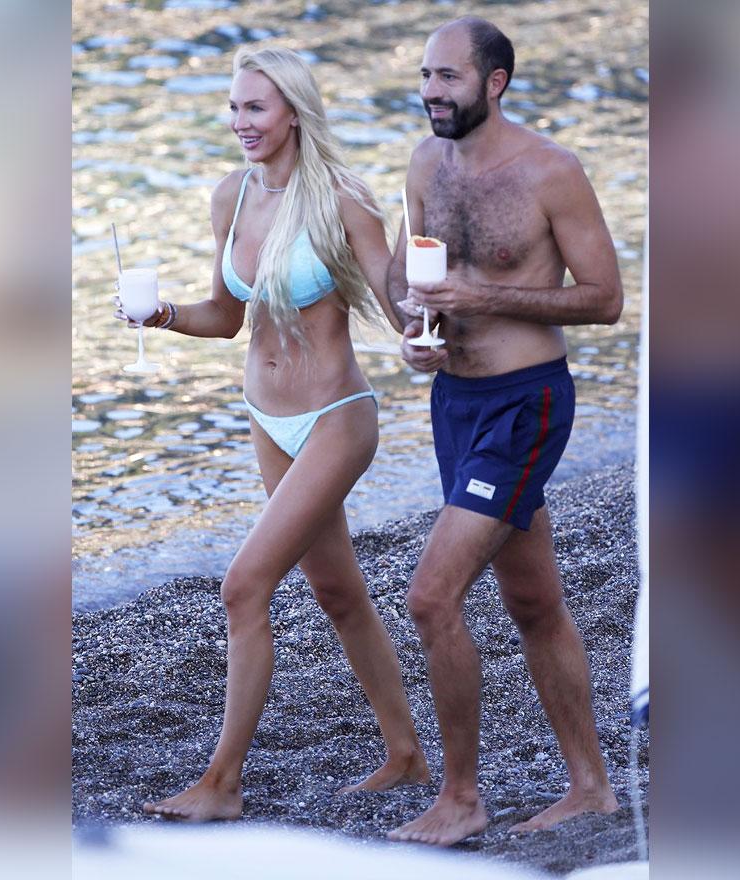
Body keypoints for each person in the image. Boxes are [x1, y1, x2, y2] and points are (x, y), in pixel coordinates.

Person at [118, 46, 427, 822]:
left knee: (243, 585)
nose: (240, 122)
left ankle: (221, 783)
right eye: (233, 107)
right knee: (336, 589)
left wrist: (429, 331)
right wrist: (161, 316)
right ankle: (406, 753)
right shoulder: (231, 196)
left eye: (255, 107)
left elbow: (400, 308)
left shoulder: (344, 198)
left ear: (292, 109)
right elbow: (226, 318)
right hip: (265, 414)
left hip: (334, 416)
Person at [383, 18, 624, 846]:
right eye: (424, 75)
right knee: (533, 600)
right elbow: (402, 267)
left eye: (448, 77)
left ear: (496, 83)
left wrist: (485, 301)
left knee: (430, 594)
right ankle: (591, 787)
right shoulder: (424, 164)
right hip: (454, 402)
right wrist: (411, 329)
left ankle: (460, 797)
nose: (431, 92)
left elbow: (603, 297)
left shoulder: (551, 173)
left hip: (527, 402)